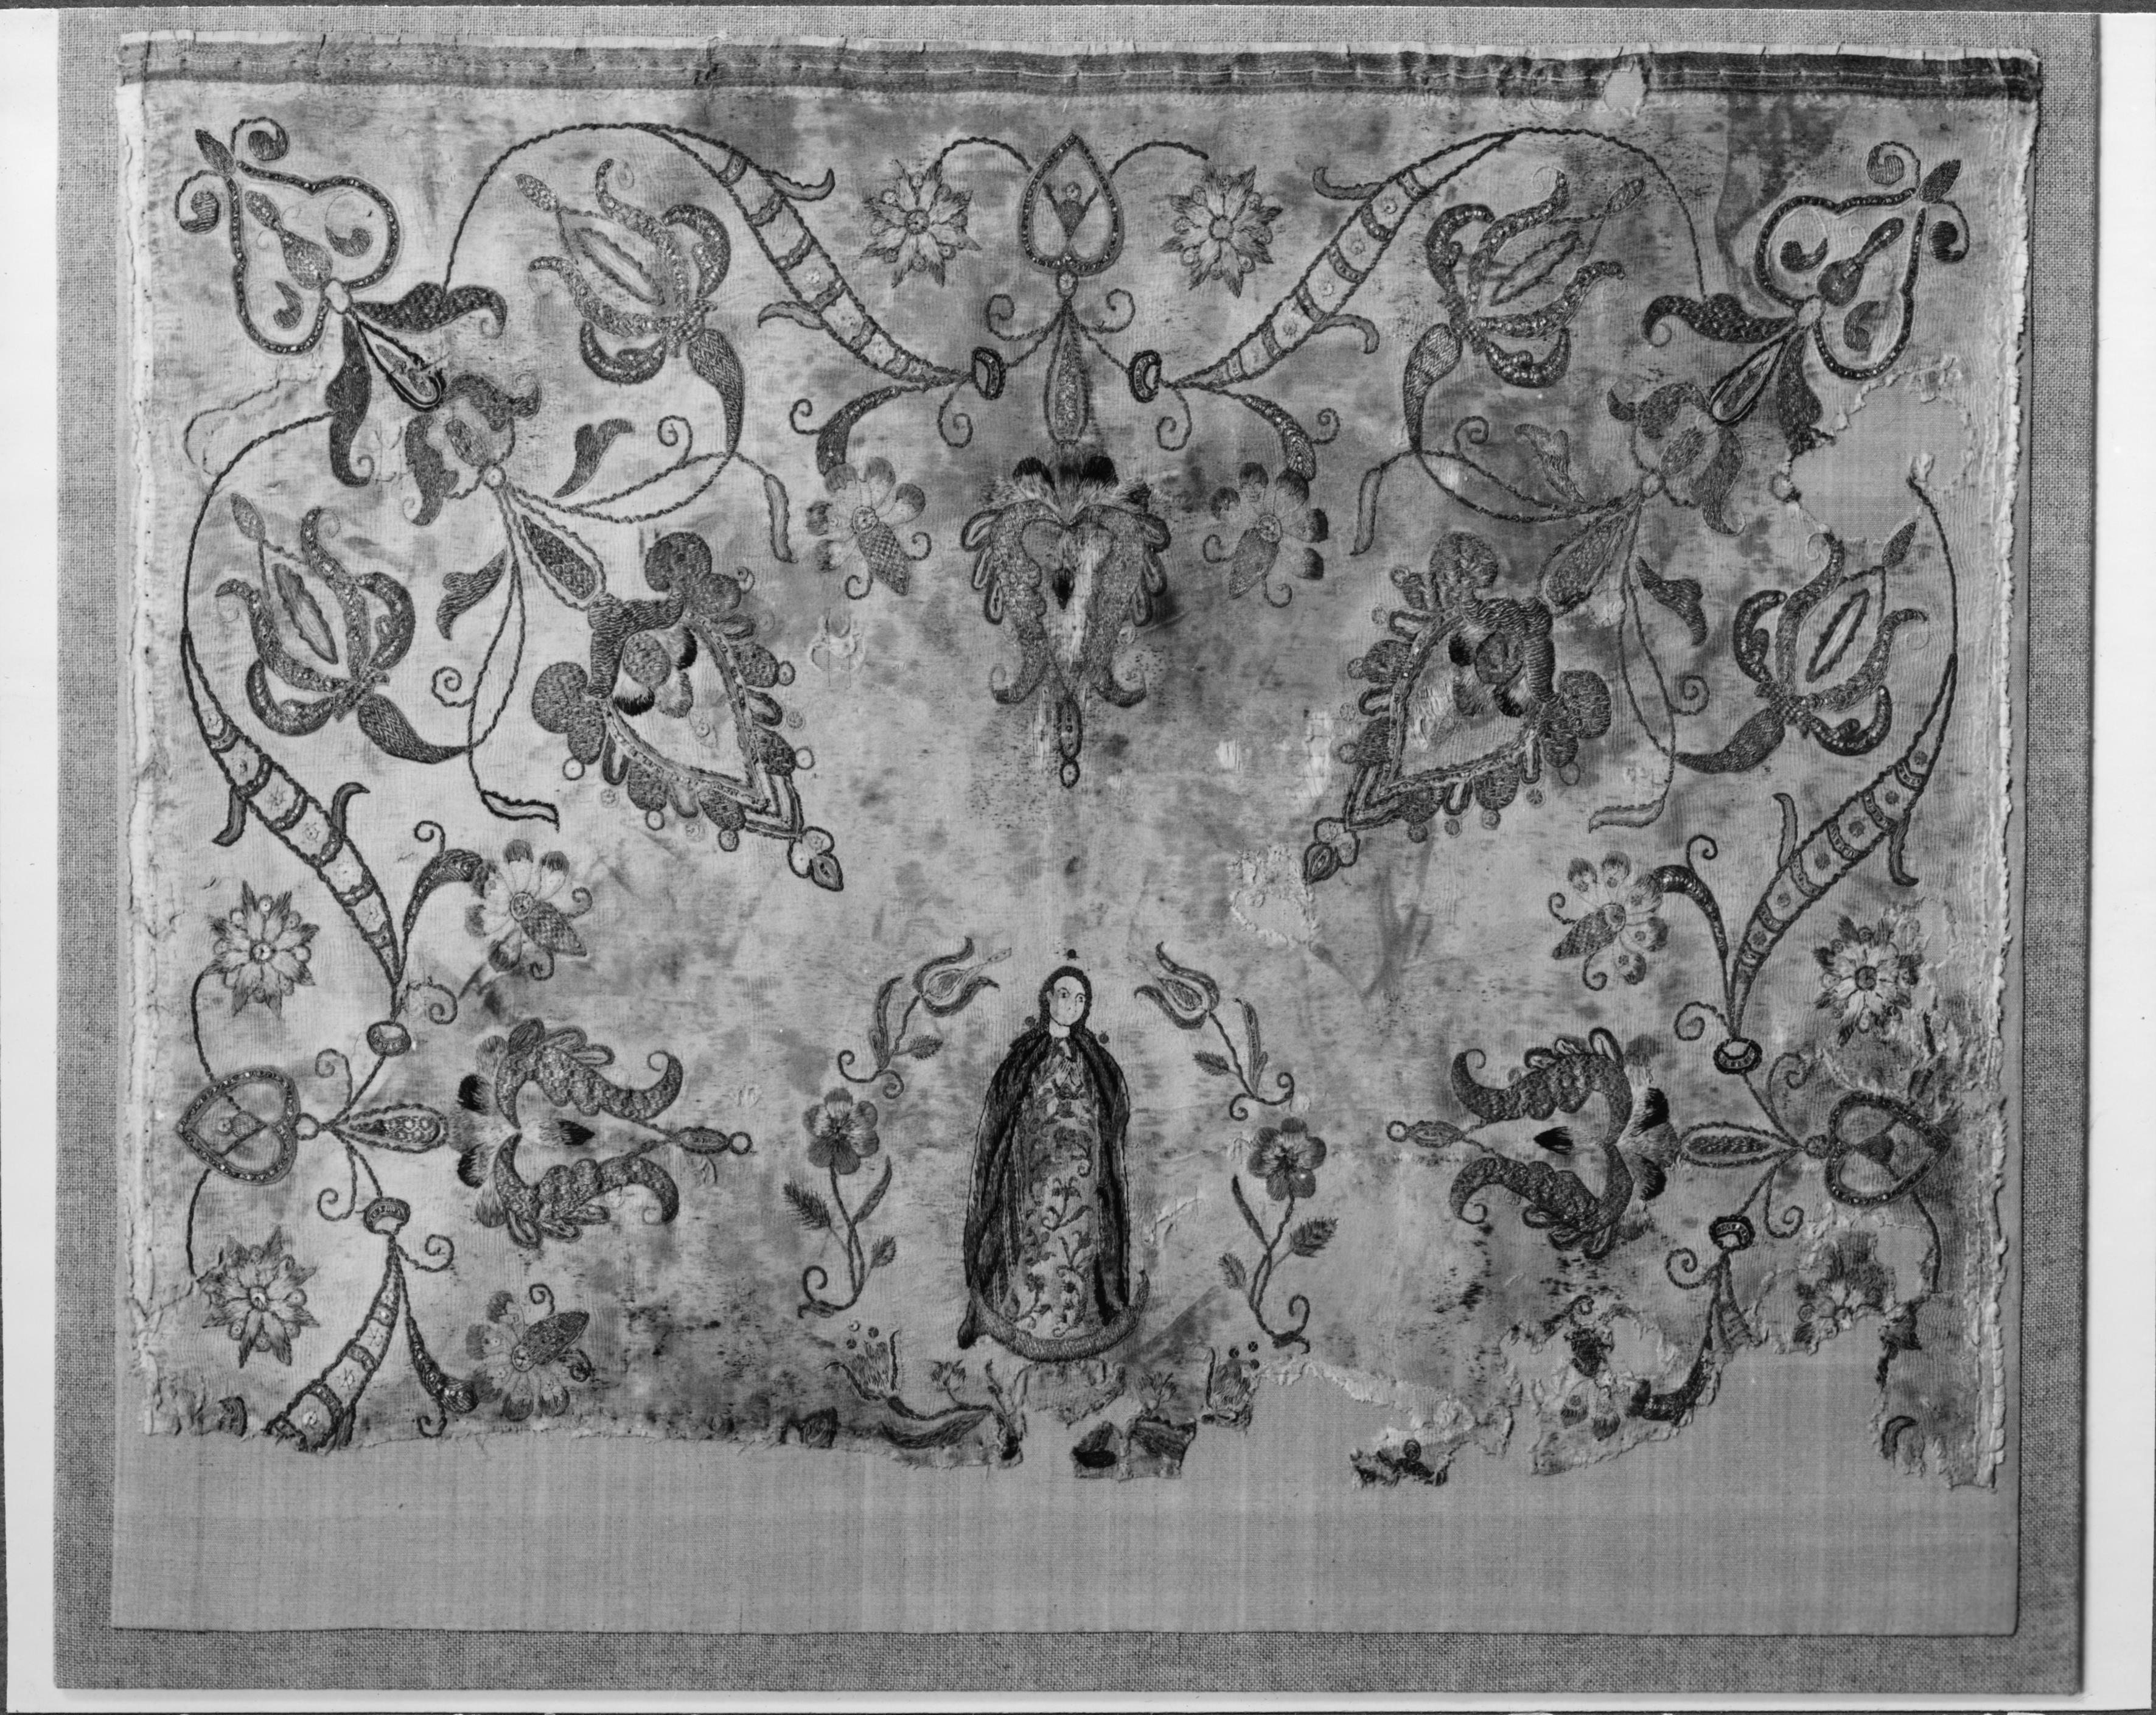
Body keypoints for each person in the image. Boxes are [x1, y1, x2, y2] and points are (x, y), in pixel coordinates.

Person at [956, 963, 1142, 1358]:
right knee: (1037, 1239)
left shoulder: (1095, 1059)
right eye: (1064, 995)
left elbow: (1111, 1114)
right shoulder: (1024, 1058)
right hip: (1036, 1172)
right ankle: (1024, 1315)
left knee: (1081, 1243)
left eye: (1080, 999)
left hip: (1084, 1176)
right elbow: (1002, 1120)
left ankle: (1081, 1320)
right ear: (1048, 998)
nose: (1071, 1005)